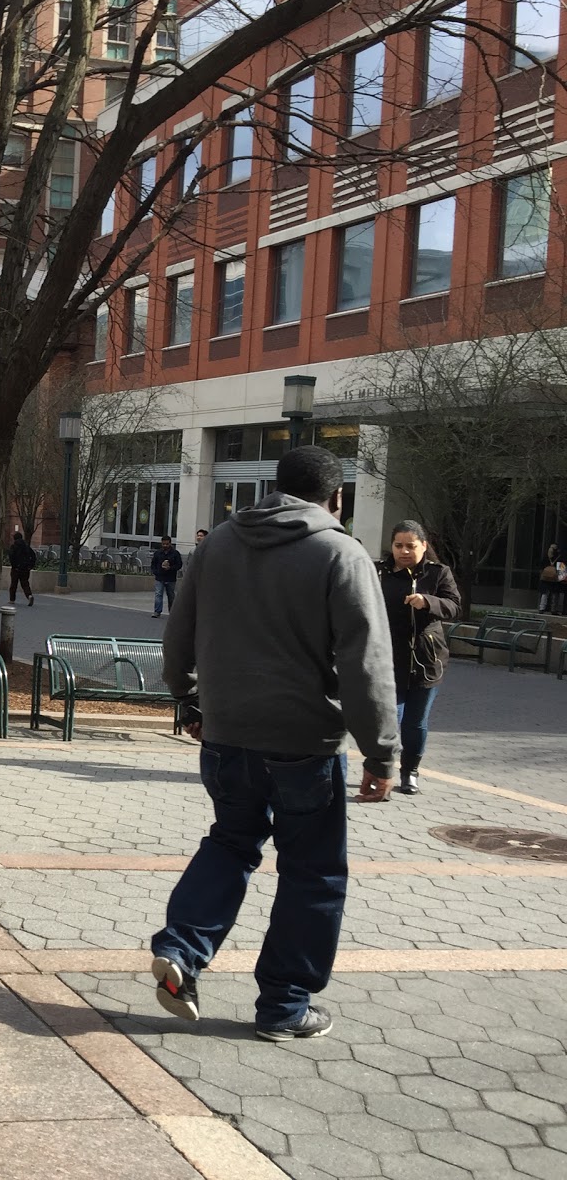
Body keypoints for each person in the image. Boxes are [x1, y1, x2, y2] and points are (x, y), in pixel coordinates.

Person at [151, 446, 399, 1042]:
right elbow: (365, 663)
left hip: (227, 734)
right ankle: (284, 1004)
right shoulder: (341, 552)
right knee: (312, 871)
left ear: (274, 486)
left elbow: (178, 635)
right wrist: (382, 752)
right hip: (304, 742)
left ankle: (183, 950)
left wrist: (189, 701)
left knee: (232, 842)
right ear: (336, 498)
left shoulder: (217, 545)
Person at [378, 521, 461, 796]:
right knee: (391, 717)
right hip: (389, 659)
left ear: (424, 546)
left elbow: (454, 607)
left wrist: (428, 601)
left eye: (410, 546)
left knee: (415, 722)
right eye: (398, 545)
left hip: (427, 660)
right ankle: (382, 770)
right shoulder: (380, 573)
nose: (404, 551)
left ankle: (410, 771)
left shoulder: (438, 573)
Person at [149, 535, 183, 618]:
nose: (165, 546)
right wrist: (156, 572)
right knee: (158, 594)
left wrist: (170, 568)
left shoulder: (175, 553)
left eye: (167, 544)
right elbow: (153, 564)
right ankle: (157, 611)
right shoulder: (158, 553)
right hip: (159, 577)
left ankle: (172, 612)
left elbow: (179, 565)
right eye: (163, 544)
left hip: (170, 578)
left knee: (171, 595)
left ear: (170, 544)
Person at [8, 532, 36, 605]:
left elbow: (11, 557)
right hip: (25, 569)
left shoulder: (14, 546)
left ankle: (12, 599)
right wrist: (30, 566)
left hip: (16, 569)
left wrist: (14, 566)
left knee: (13, 584)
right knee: (25, 584)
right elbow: (33, 556)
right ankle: (29, 596)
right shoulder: (27, 546)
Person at [539, 544, 562, 615]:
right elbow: (561, 569)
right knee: (554, 594)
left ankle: (541, 608)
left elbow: (541, 567)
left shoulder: (546, 557)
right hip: (554, 578)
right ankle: (553, 609)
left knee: (544, 593)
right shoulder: (559, 557)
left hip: (545, 578)